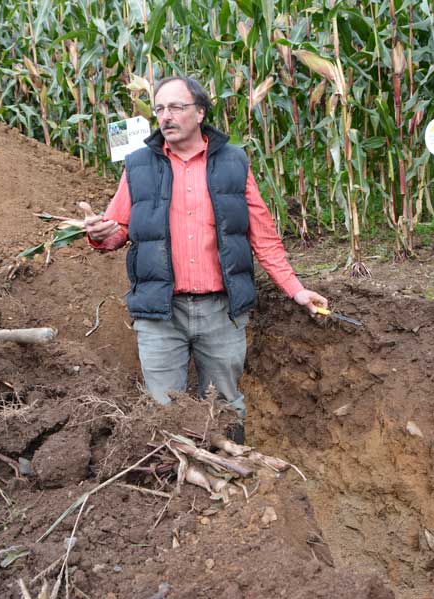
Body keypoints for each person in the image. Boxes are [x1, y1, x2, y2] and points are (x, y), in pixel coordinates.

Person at [80, 76, 327, 439]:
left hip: (221, 311)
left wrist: (296, 290)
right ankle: (177, 489)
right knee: (164, 409)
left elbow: (263, 237)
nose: (166, 116)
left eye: (176, 107)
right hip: (160, 313)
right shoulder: (137, 165)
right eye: (160, 108)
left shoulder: (233, 162)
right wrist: (98, 234)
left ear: (199, 112)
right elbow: (117, 230)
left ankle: (234, 480)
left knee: (226, 404)